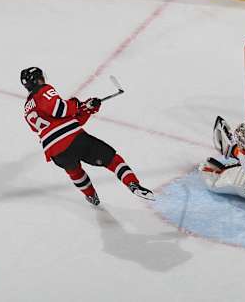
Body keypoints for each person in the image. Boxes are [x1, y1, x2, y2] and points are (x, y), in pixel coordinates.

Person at [21, 67, 154, 205]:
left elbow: (66, 123)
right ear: (38, 79)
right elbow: (60, 110)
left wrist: (86, 109)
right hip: (74, 140)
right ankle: (133, 184)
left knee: (74, 171)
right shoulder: (43, 90)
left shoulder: (27, 109)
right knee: (112, 159)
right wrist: (76, 104)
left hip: (55, 153)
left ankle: (91, 196)